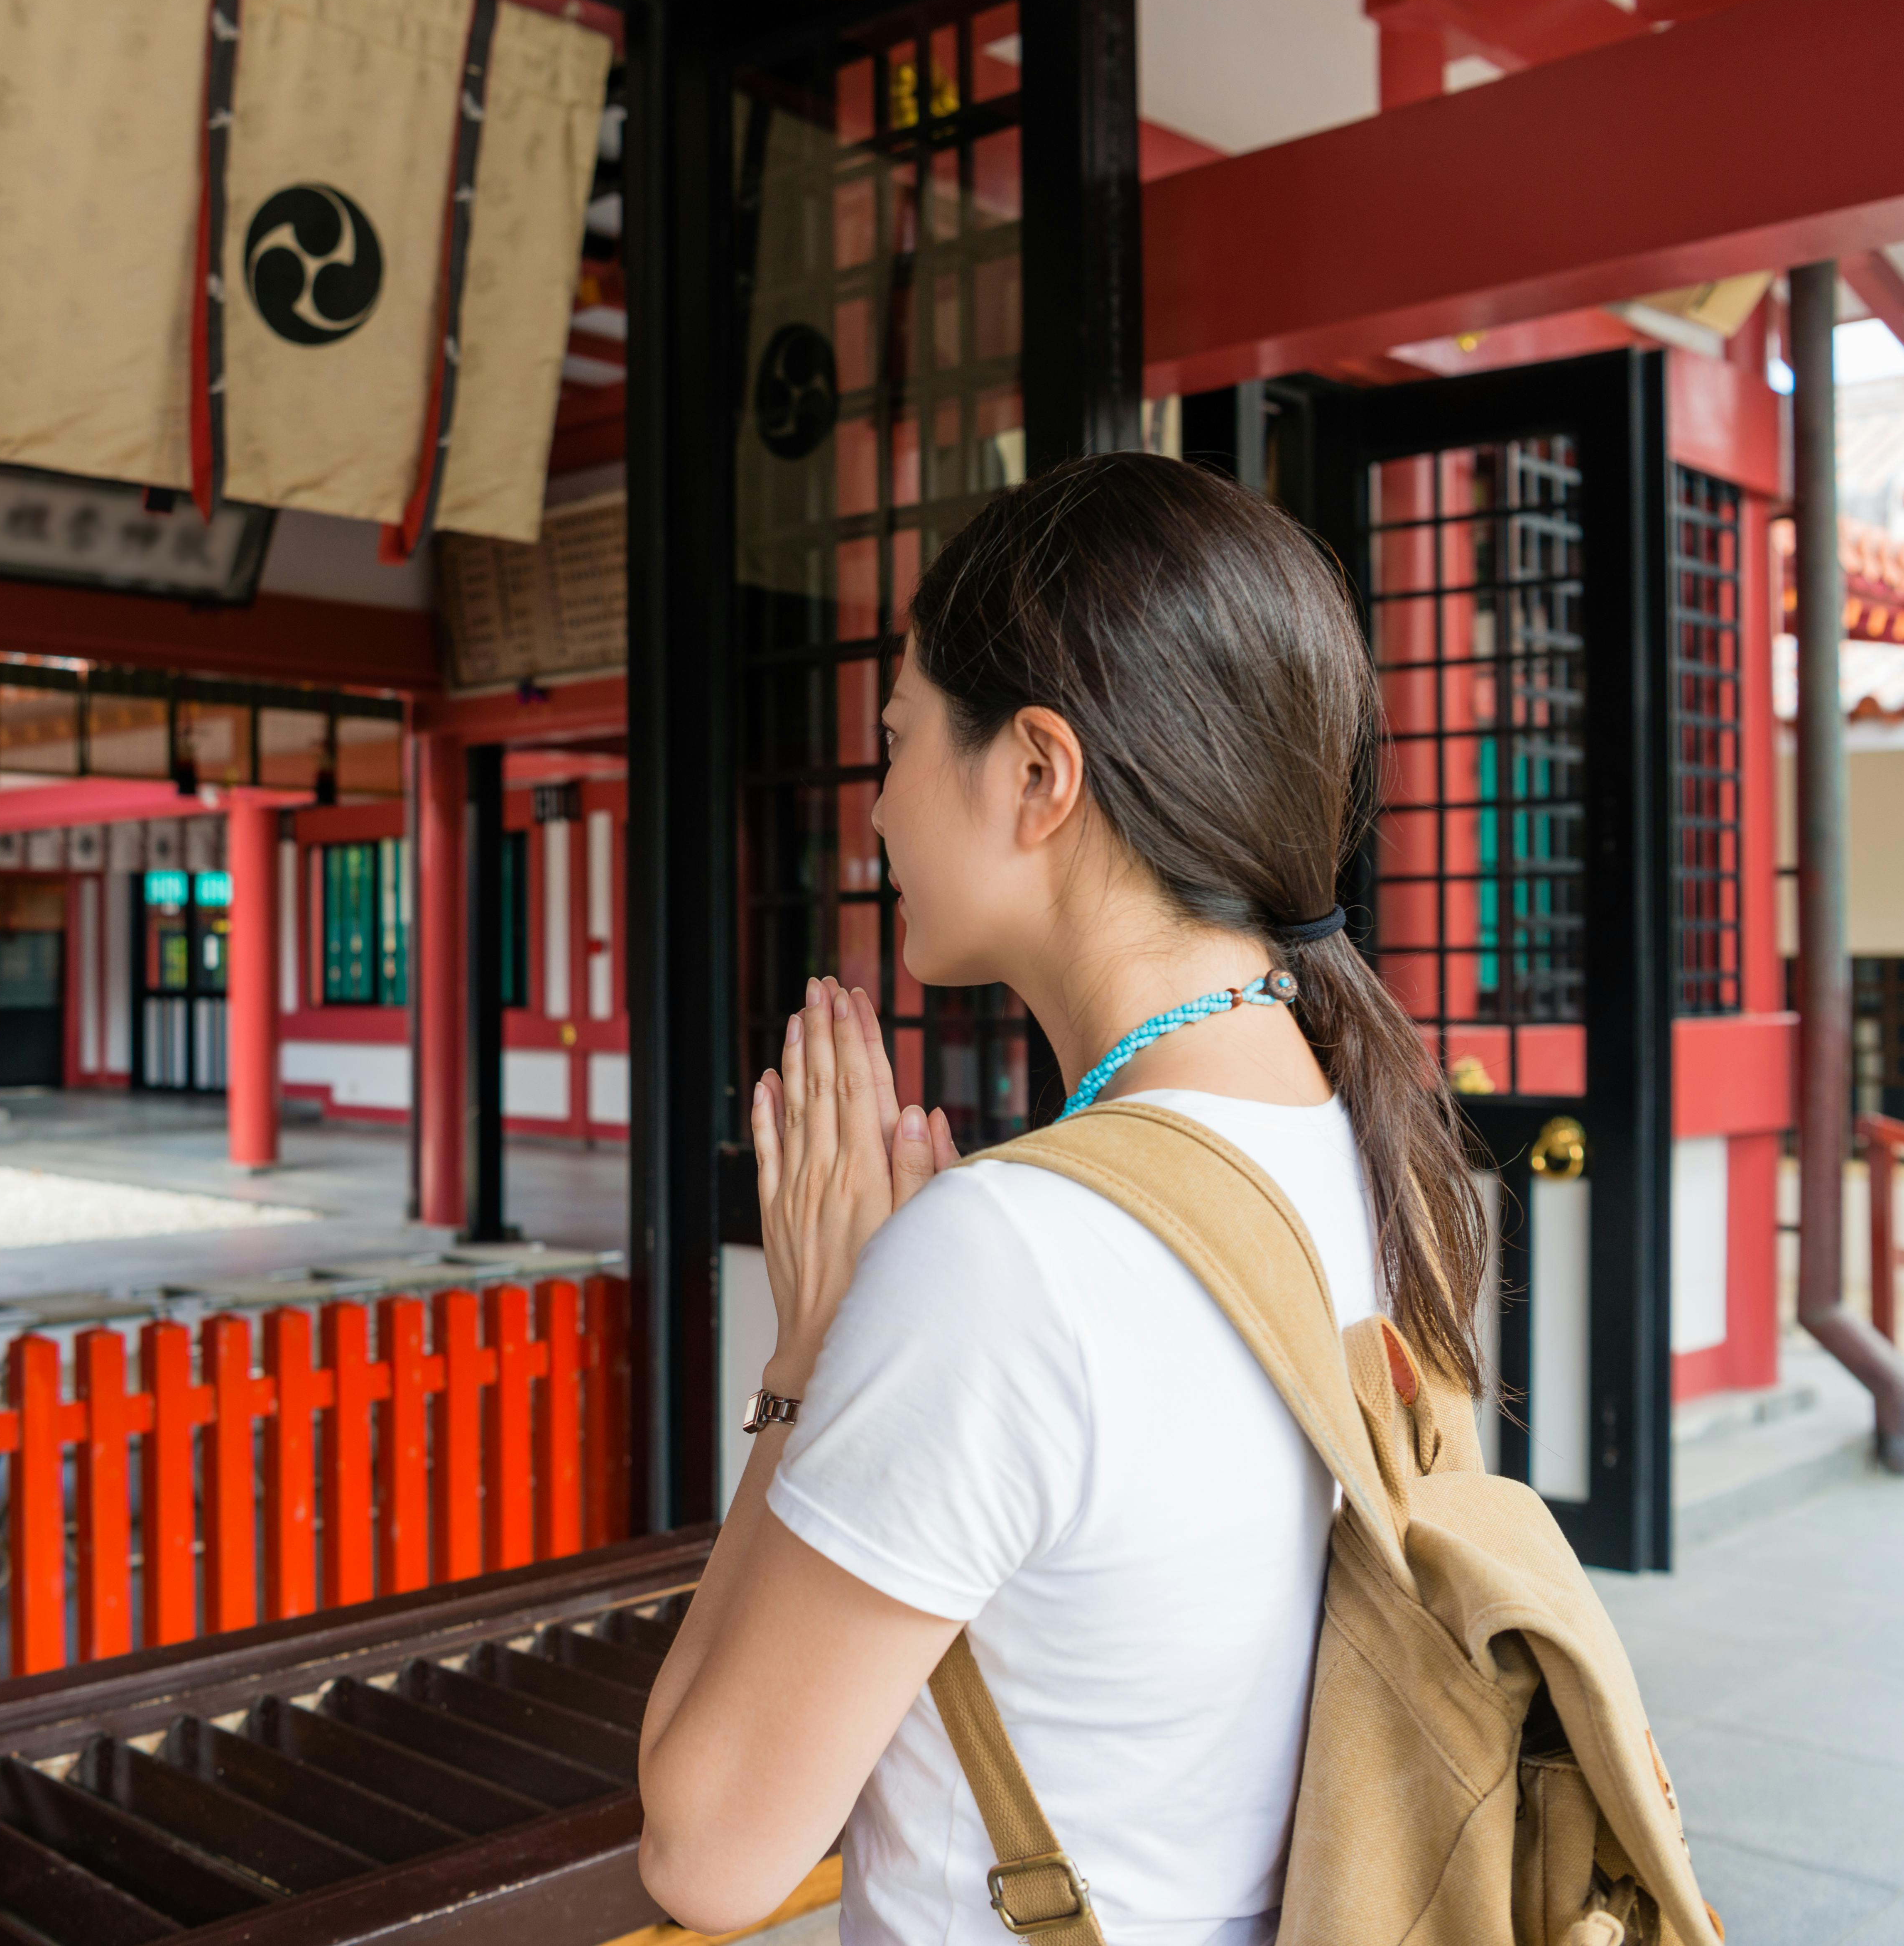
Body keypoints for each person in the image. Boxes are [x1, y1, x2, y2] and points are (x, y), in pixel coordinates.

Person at [635, 452, 1490, 1946]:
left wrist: (806, 1358)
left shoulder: (1011, 1256)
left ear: (1038, 772)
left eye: (896, 739)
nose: (880, 803)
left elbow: (706, 1852)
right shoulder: (1371, 1151)